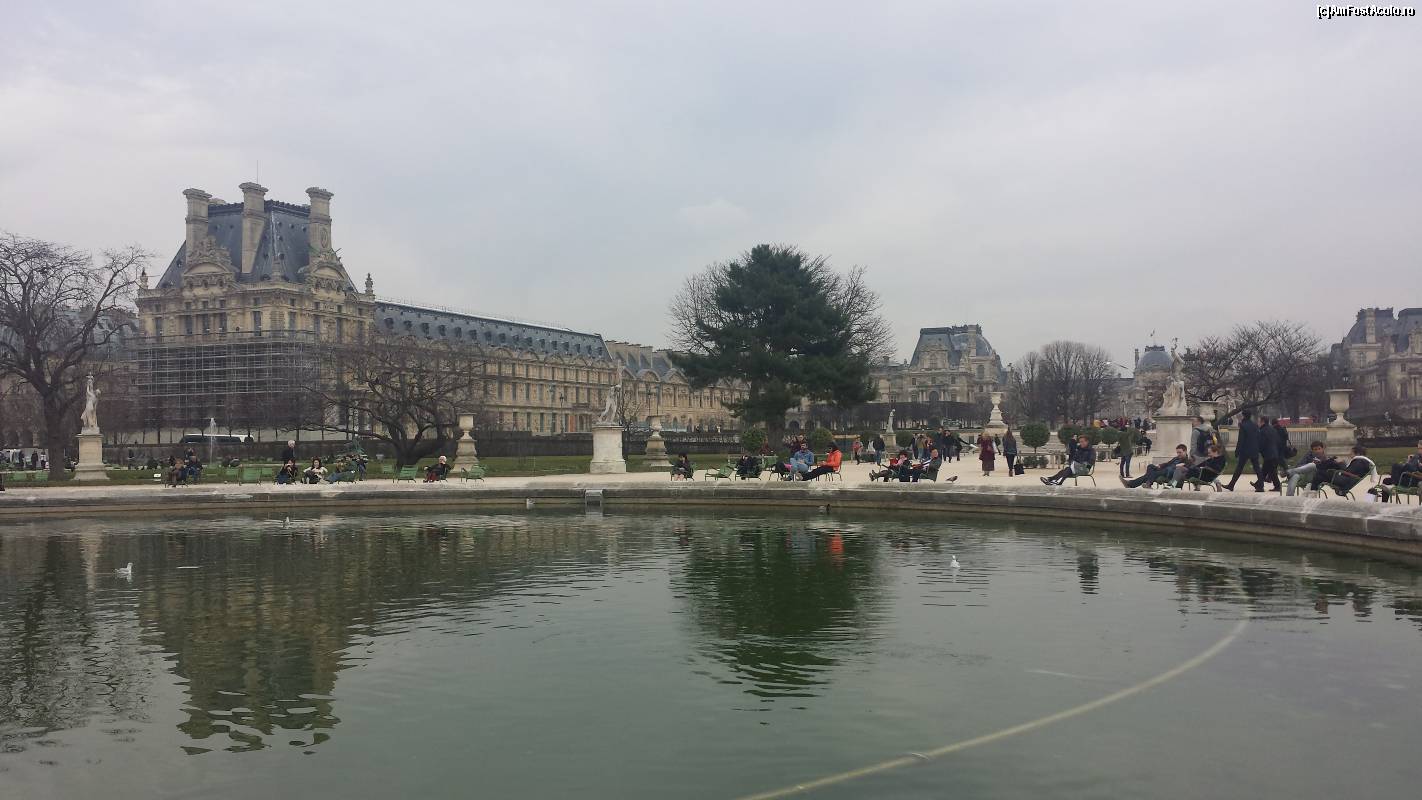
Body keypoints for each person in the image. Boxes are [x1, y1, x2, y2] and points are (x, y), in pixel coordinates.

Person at [1120, 445, 1192, 489]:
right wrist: (1160, 465)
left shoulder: (1188, 460)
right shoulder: (1176, 458)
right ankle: (1147, 483)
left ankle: (1131, 484)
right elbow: (1168, 463)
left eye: (1180, 452)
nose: (1178, 454)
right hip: (1164, 470)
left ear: (1185, 451)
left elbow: (1187, 468)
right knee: (1150, 466)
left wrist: (1182, 465)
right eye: (1177, 452)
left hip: (1169, 473)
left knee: (1152, 474)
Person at [1222, 410, 1261, 492]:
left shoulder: (1243, 425)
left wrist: (1237, 451)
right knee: (1257, 468)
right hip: (1254, 449)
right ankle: (1261, 486)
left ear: (1243, 416)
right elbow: (1258, 437)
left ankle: (1231, 485)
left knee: (1239, 468)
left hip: (1245, 450)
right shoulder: (1255, 425)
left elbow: (1241, 440)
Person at [1252, 417, 1282, 493]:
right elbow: (1278, 441)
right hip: (1274, 452)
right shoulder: (1273, 429)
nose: (1258, 423)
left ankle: (1277, 486)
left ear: (1263, 422)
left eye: (1259, 421)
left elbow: (1262, 443)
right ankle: (1258, 484)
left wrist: (1258, 450)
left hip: (1268, 454)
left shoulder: (1262, 431)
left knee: (1272, 472)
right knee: (1265, 470)